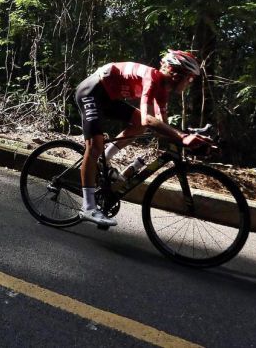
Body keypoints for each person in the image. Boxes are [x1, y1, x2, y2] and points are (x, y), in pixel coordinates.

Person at [74, 49, 208, 226]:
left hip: (108, 97)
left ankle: (103, 161)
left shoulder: (162, 90)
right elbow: (149, 119)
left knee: (139, 125)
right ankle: (88, 207)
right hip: (91, 92)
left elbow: (161, 125)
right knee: (95, 146)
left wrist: (188, 138)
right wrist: (181, 136)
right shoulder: (152, 78)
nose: (190, 83)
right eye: (190, 78)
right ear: (176, 74)